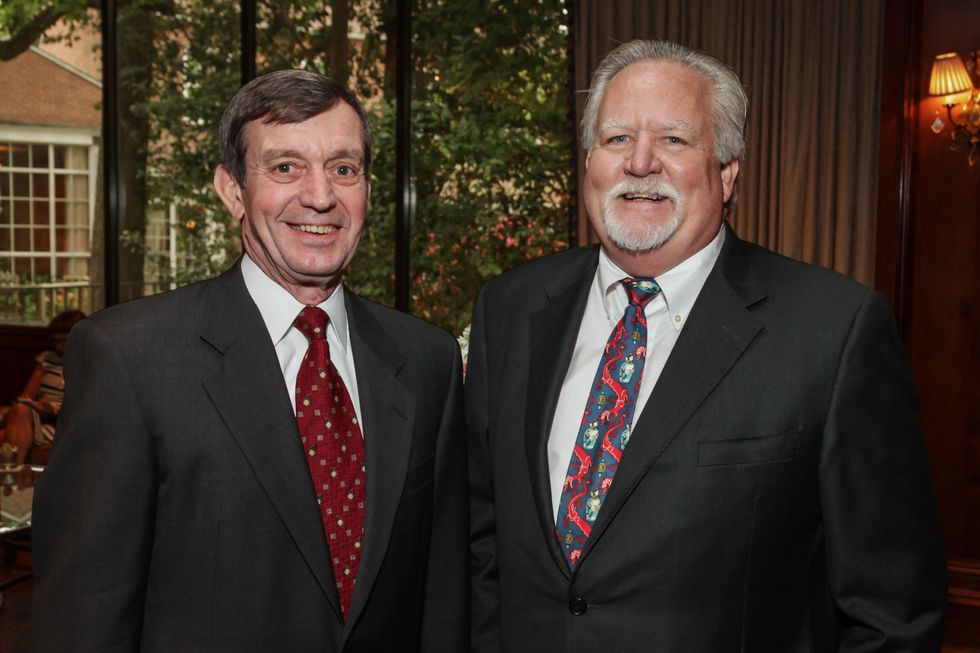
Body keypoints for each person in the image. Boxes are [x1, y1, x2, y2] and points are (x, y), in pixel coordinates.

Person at [467, 39, 946, 651]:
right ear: (588, 162)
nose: (640, 163)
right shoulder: (508, 310)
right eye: (616, 139)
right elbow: (481, 555)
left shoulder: (833, 330)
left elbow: (893, 617)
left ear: (727, 171)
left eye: (673, 139)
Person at [32, 70, 467, 651]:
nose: (320, 195)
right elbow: (84, 617)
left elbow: (441, 599)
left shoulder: (425, 359)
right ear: (232, 190)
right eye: (285, 167)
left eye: (344, 169)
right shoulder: (128, 357)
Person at [0, 309, 85, 464]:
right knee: (20, 409)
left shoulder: (87, 363)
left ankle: (12, 472)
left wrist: (54, 410)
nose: (59, 347)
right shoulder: (47, 358)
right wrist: (33, 405)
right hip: (37, 416)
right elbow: (26, 396)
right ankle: (12, 472)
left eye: (64, 341)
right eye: (55, 342)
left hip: (65, 419)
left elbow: (87, 404)